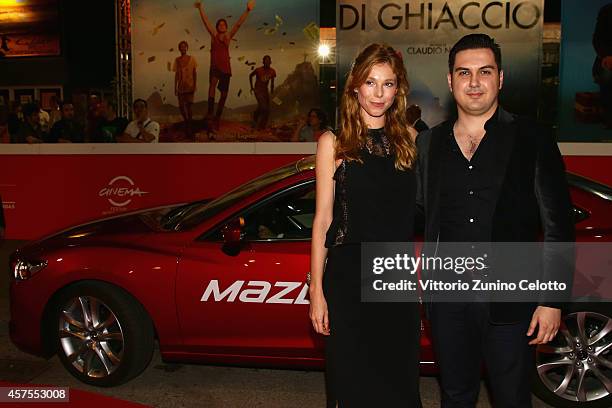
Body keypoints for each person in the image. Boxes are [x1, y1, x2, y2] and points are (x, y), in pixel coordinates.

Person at [416, 34, 575, 408]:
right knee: (455, 395)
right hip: (447, 300)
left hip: (510, 300)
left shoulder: (532, 137)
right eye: (464, 72)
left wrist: (552, 300)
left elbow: (558, 225)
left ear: (500, 78)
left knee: (512, 397)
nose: (474, 82)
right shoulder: (429, 144)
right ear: (451, 80)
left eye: (484, 72)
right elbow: (417, 212)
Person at [309, 43, 420, 407]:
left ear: (398, 90)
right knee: (352, 384)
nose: (378, 94)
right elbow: (324, 219)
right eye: (370, 83)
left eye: (388, 85)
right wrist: (317, 291)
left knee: (398, 384)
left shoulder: (411, 142)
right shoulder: (334, 143)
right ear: (355, 85)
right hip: (348, 276)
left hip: (395, 273)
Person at [195, 0, 255, 130]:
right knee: (212, 86)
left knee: (224, 95)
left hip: (226, 69)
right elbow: (206, 22)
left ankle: (217, 117)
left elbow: (238, 24)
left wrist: (247, 10)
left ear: (226, 27)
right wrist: (200, 8)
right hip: (215, 67)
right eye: (220, 24)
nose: (222, 26)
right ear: (217, 27)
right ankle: (210, 114)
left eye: (224, 24)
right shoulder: (214, 35)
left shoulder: (228, 37)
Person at [593, 3, 612, 128]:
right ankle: (609, 117)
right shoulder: (607, 11)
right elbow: (598, 40)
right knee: (608, 74)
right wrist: (607, 55)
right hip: (608, 59)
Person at [173, 40, 198, 134]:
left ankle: (189, 125)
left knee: (189, 106)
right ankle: (186, 121)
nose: (183, 48)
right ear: (179, 48)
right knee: (181, 106)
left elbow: (195, 73)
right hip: (181, 86)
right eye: (181, 46)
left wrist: (195, 86)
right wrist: (175, 87)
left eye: (184, 46)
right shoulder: (177, 60)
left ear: (187, 48)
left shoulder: (192, 59)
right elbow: (176, 74)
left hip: (190, 85)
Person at [249, 55, 276, 129]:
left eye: (268, 60)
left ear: (270, 62)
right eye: (266, 60)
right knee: (264, 107)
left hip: (265, 91)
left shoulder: (272, 71)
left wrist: (272, 92)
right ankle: (259, 125)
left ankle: (260, 124)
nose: (267, 62)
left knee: (267, 109)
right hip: (258, 90)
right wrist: (252, 87)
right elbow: (250, 75)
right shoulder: (258, 70)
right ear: (263, 62)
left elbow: (272, 83)